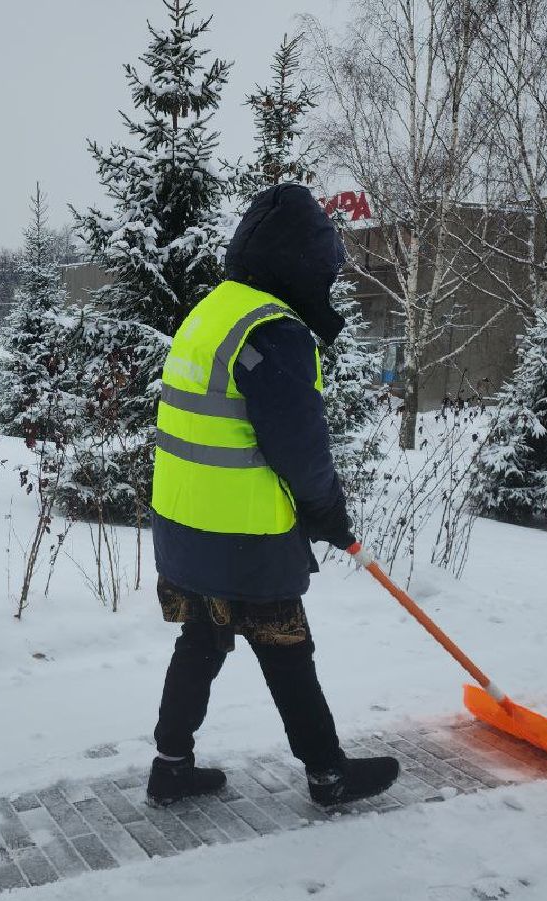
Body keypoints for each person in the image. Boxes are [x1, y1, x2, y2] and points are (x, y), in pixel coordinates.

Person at [146, 183, 401, 811]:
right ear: (300, 262)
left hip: (182, 522)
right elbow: (300, 448)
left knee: (202, 642)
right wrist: (328, 514)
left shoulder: (213, 311)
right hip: (246, 535)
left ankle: (170, 766)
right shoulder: (272, 330)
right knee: (286, 647)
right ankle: (328, 776)